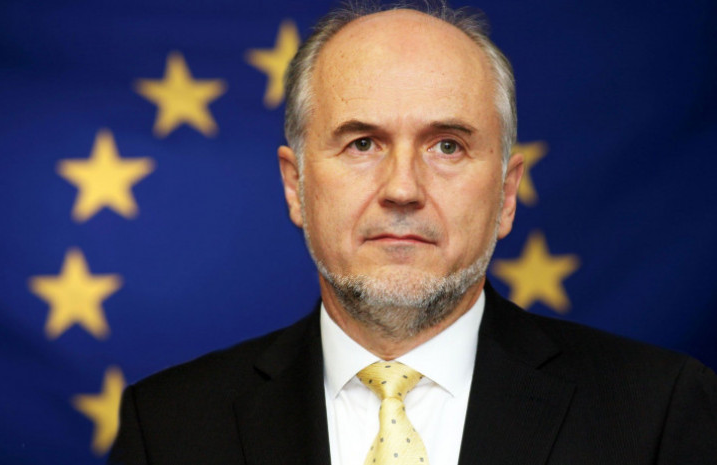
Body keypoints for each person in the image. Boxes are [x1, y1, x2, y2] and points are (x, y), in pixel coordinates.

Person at [108, 3, 717, 464]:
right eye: (362, 143)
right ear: (296, 186)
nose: (402, 188)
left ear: (507, 194)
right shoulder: (166, 427)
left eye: (447, 146)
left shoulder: (658, 412)